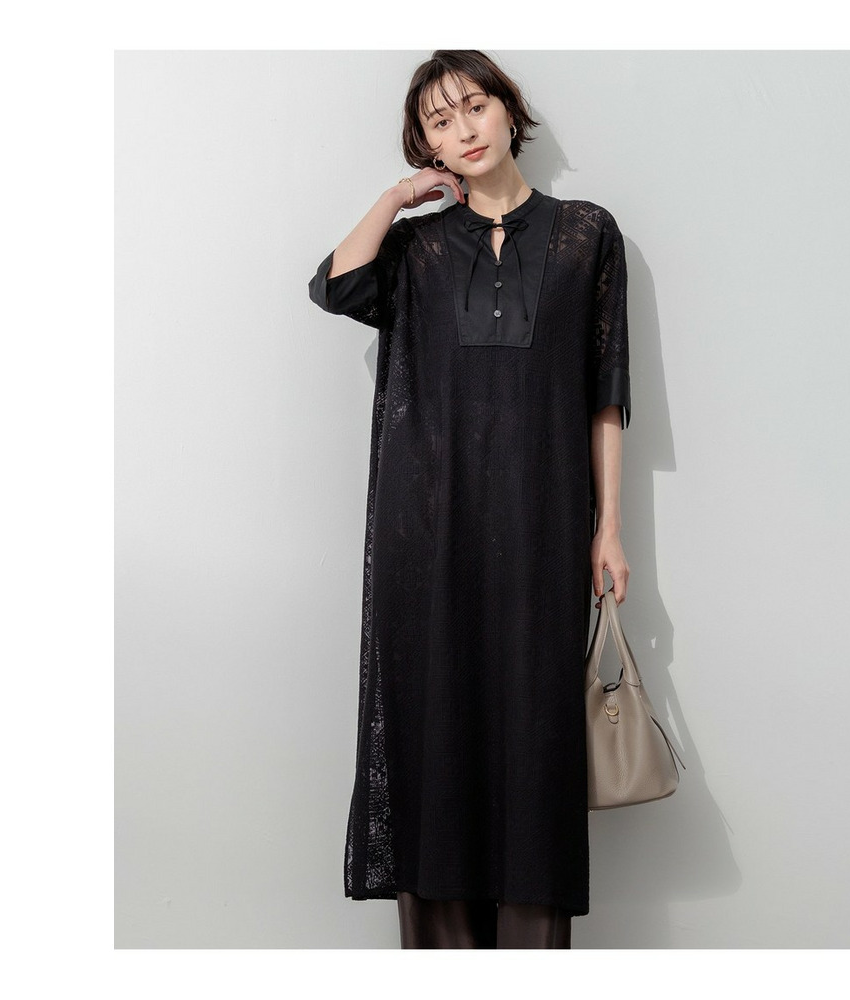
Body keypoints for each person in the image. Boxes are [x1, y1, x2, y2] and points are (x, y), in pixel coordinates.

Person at [308, 50, 631, 949]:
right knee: (433, 731)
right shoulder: (417, 249)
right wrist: (395, 198)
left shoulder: (586, 234)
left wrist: (607, 528)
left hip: (541, 529)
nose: (464, 130)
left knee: (533, 734)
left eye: (474, 106)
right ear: (427, 146)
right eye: (439, 122)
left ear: (508, 110)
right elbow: (334, 286)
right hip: (424, 534)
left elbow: (605, 393)